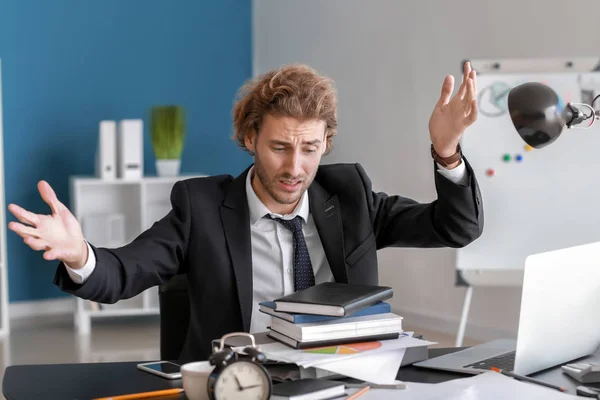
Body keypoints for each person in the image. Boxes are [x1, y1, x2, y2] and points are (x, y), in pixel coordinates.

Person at [7, 62, 482, 361]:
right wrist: (79, 254)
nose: (295, 168)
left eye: (310, 149)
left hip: (343, 374)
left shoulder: (350, 194)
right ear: (250, 138)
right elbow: (125, 272)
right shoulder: (202, 207)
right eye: (279, 147)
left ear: (326, 145)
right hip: (242, 382)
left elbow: (455, 226)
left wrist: (447, 151)